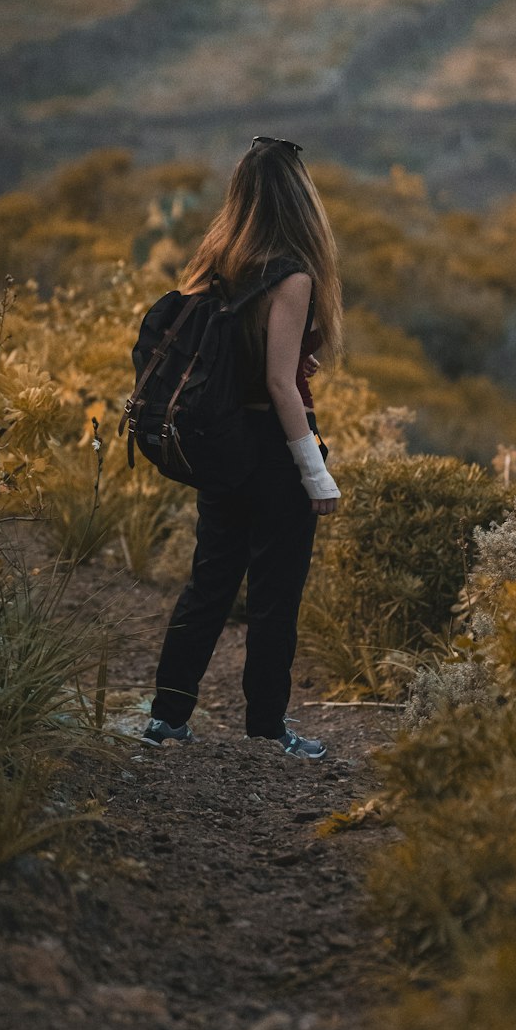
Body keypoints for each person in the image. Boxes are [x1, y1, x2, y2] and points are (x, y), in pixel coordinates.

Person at [141, 136, 343, 758]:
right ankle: (266, 730)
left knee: (210, 584)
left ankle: (167, 718)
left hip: (220, 442)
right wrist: (315, 472)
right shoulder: (293, 276)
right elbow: (281, 384)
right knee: (275, 598)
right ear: (299, 200)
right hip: (273, 449)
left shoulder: (215, 265)